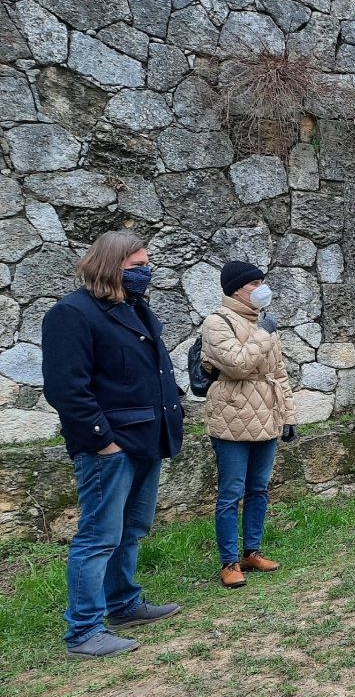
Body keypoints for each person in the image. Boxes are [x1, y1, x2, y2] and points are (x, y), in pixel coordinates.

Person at [41, 230, 184, 659]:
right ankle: (83, 631)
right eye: (137, 266)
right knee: (98, 536)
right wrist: (104, 444)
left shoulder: (135, 308)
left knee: (131, 530)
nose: (146, 272)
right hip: (111, 446)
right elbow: (67, 390)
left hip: (147, 438)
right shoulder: (72, 314)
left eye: (146, 264)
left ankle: (123, 605)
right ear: (110, 265)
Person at [201, 261, 298, 589]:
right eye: (254, 283)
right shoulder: (217, 322)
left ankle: (251, 552)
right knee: (231, 492)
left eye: (262, 281)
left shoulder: (263, 323)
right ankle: (229, 562)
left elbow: (279, 372)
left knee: (259, 488)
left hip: (267, 414)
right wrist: (262, 334)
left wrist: (288, 415)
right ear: (236, 289)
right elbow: (238, 365)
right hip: (232, 416)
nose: (261, 288)